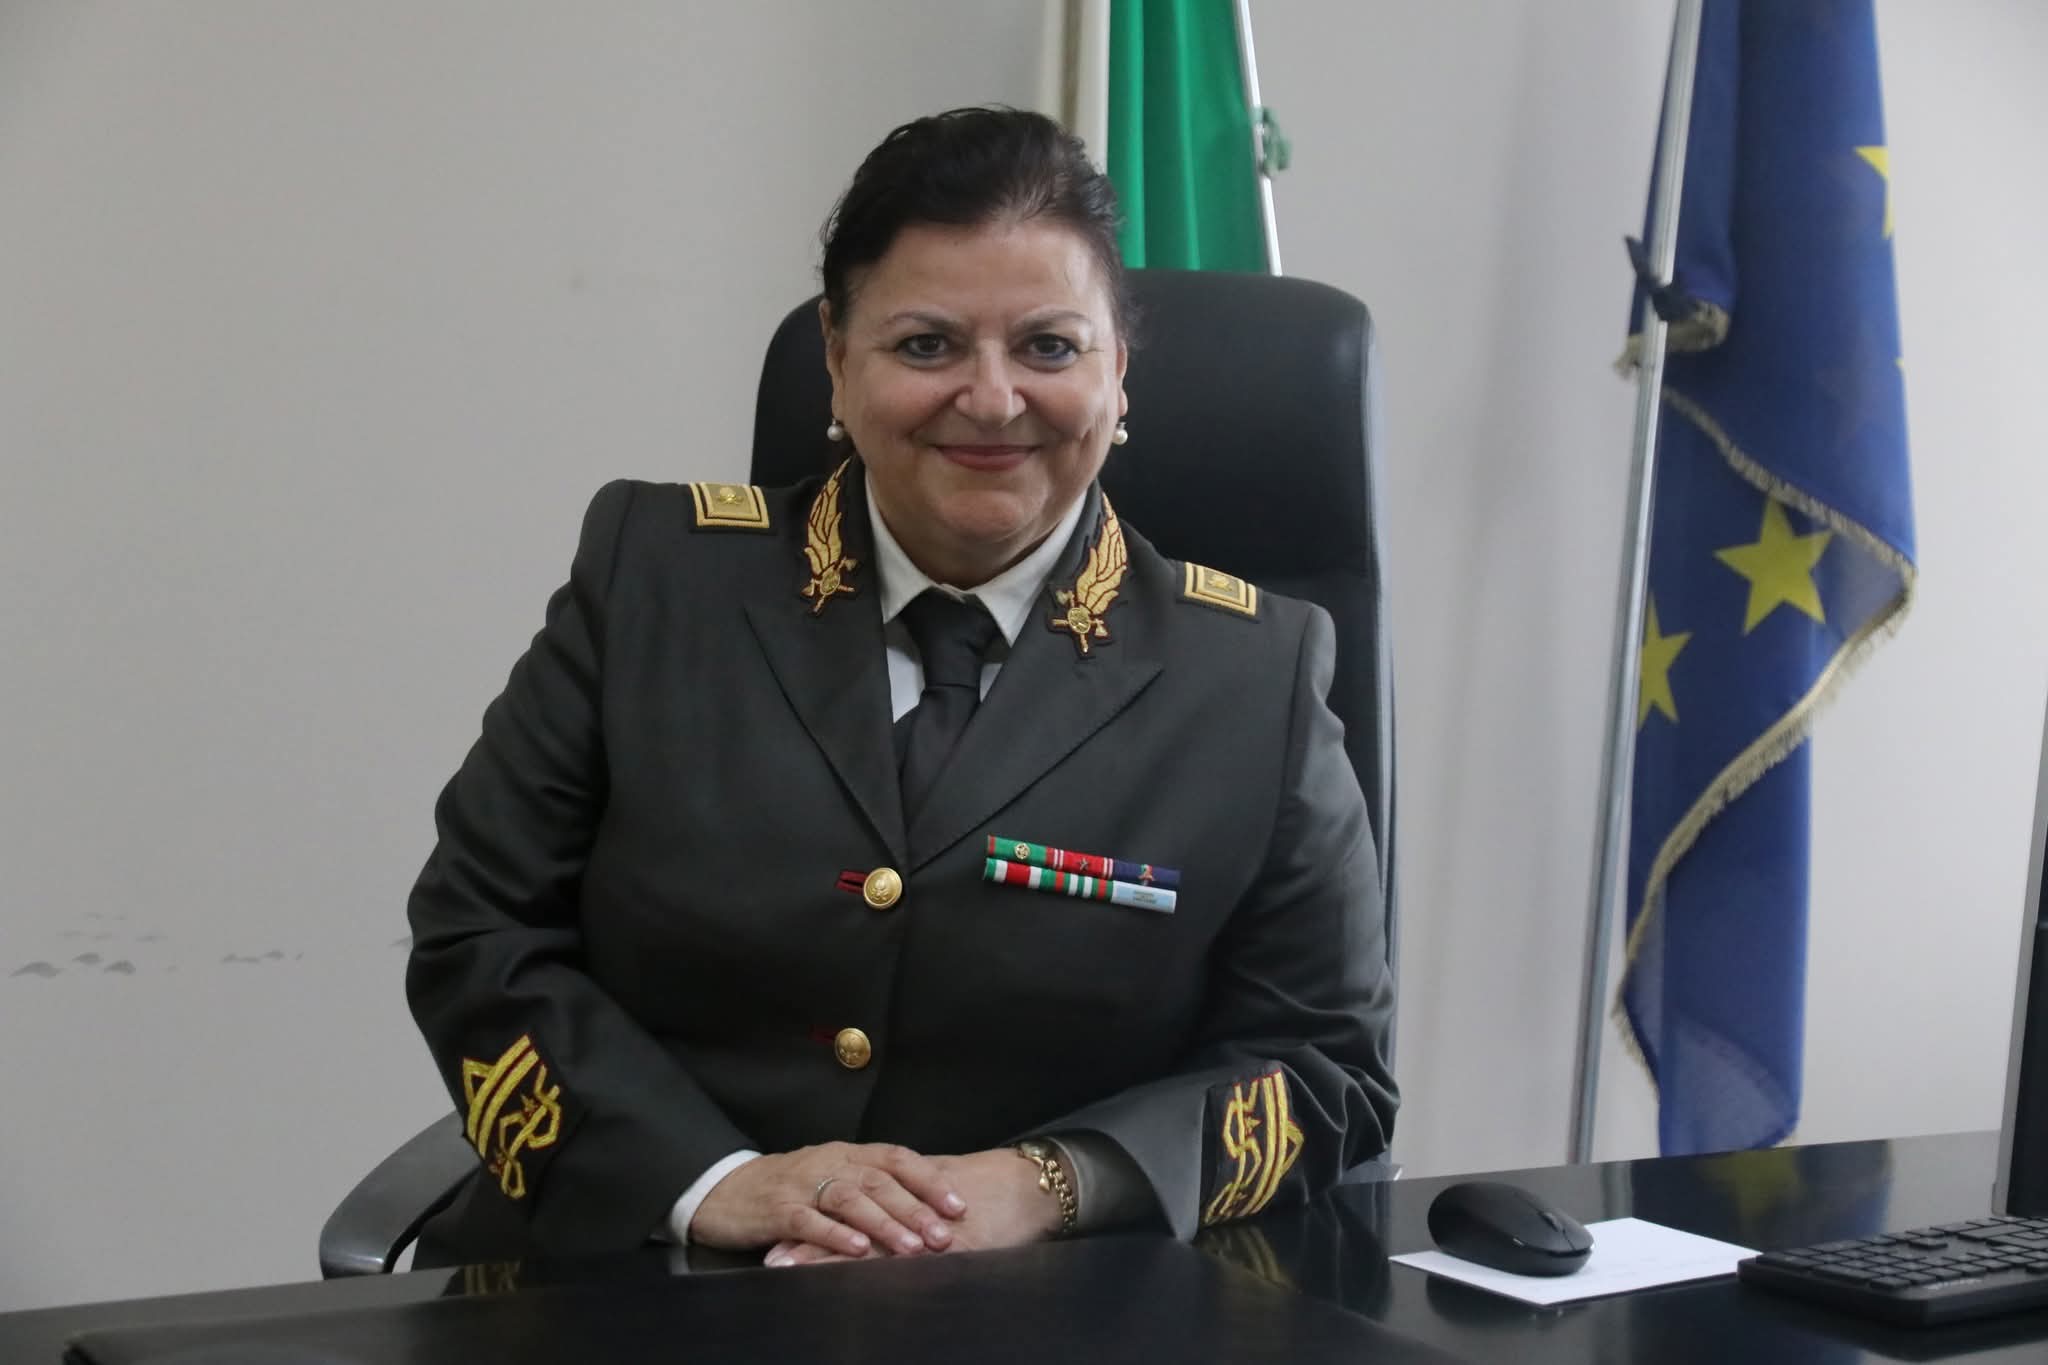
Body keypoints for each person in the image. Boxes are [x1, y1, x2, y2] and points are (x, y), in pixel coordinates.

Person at [405, 106, 1396, 1270]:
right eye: (926, 345)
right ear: (836, 361)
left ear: (1119, 371)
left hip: (1042, 1306)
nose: (991, 399)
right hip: (632, 1273)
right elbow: (480, 929)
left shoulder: (1252, 677)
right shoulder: (653, 580)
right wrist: (709, 1183)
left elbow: (1325, 1067)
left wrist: (1052, 1183)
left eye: (1049, 347)